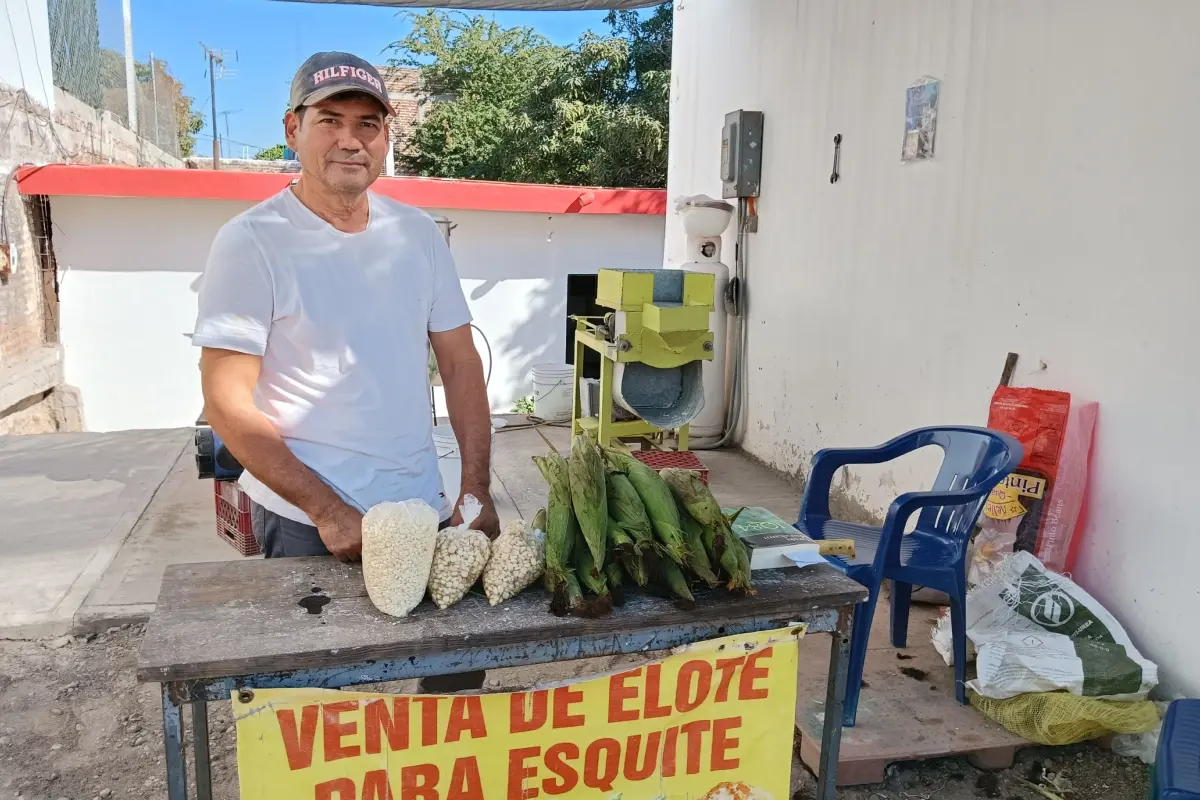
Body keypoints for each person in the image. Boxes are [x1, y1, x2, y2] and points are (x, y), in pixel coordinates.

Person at [193, 52, 497, 691]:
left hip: (423, 505)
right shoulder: (251, 242)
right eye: (329, 119)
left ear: (387, 138)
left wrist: (475, 487)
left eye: (368, 123)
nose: (350, 139)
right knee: (317, 717)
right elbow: (227, 402)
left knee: (454, 686)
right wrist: (328, 509)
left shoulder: (416, 235)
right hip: (306, 521)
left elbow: (461, 363)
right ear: (291, 128)